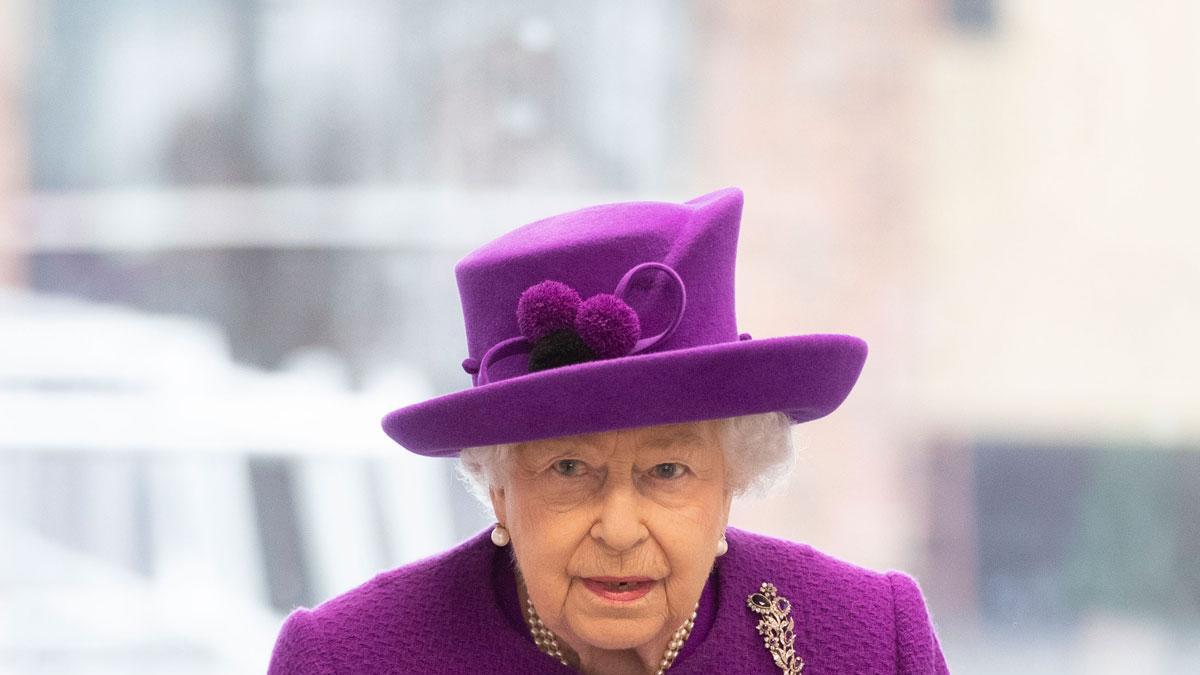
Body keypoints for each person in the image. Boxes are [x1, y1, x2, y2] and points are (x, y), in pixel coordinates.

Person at [267, 187, 951, 674]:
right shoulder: (344, 659)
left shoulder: (872, 640)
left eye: (667, 470)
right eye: (568, 468)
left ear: (731, 481)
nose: (619, 529)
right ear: (499, 488)